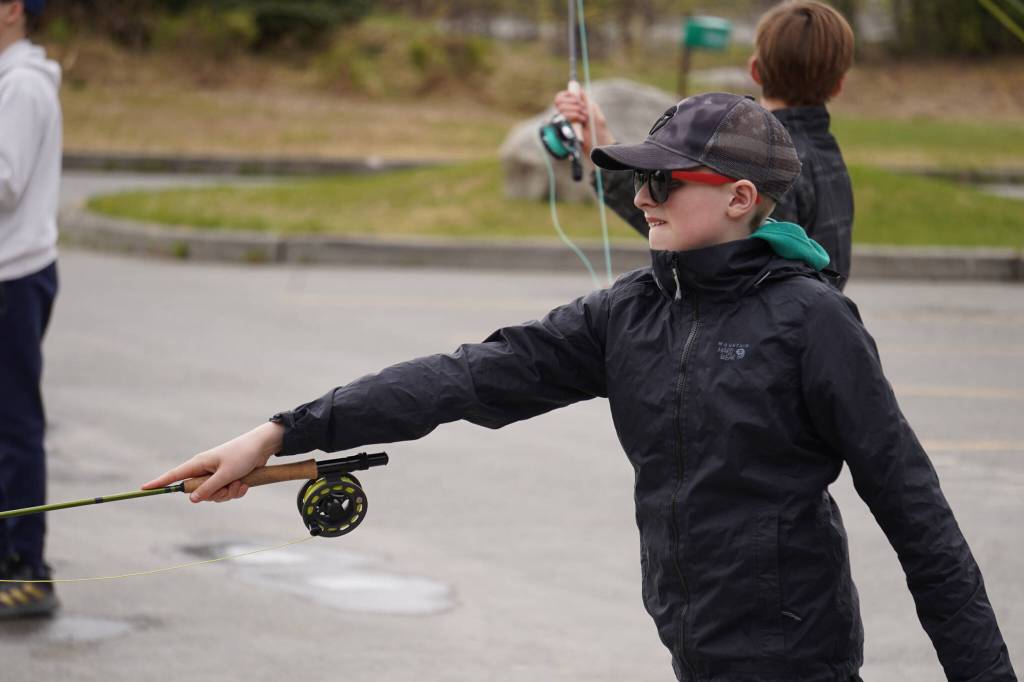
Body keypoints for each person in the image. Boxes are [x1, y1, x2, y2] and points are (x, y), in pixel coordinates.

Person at [143, 93, 1015, 681]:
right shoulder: (629, 312)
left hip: (794, 657)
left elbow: (916, 512)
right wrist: (282, 430)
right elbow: (462, 378)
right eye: (638, 179)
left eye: (665, 182)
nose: (642, 198)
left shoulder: (811, 322)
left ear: (743, 197)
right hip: (690, 645)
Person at [555, 0, 856, 287]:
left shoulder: (767, 164)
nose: (645, 198)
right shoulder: (829, 157)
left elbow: (695, 228)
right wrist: (603, 140)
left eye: (662, 182)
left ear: (755, 70)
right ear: (839, 84)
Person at [0, 0, 61, 618]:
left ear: (13, 9)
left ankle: (29, 569)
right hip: (12, 273)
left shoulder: (20, 85)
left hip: (13, 277)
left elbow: (6, 180)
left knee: (14, 427)